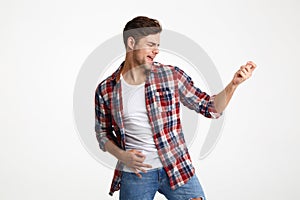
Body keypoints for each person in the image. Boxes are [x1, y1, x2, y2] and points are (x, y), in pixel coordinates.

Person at [95, 16, 256, 200]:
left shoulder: (170, 76)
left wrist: (233, 84)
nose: (156, 51)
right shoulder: (106, 89)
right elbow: (103, 134)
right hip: (136, 173)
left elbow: (210, 107)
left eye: (157, 45)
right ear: (131, 43)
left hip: (175, 166)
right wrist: (122, 156)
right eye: (151, 44)